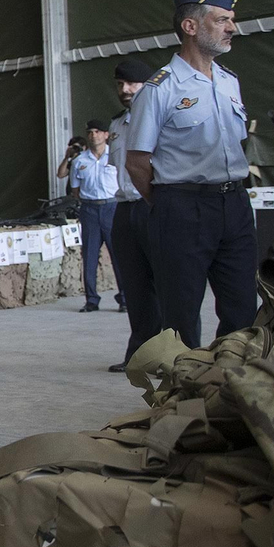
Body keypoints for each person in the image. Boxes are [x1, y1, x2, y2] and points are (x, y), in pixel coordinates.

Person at [126, 0, 256, 348]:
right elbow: (137, 162)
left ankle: (229, 390)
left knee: (243, 310)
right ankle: (182, 397)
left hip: (235, 204)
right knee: (181, 317)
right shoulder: (159, 90)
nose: (232, 27)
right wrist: (172, 201)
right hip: (182, 207)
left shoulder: (230, 82)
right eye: (222, 20)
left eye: (231, 20)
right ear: (190, 26)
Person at [107, 58, 159, 371]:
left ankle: (170, 355)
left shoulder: (160, 117)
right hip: (124, 209)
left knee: (166, 283)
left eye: (132, 84)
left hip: (152, 205)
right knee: (134, 286)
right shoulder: (116, 125)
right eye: (120, 85)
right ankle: (139, 354)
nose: (125, 90)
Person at [71, 119, 123, 314]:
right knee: (90, 257)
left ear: (106, 135)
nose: (94, 135)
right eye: (90, 132)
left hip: (112, 207)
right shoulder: (79, 161)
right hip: (90, 209)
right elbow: (75, 190)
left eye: (98, 132)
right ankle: (91, 300)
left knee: (119, 256)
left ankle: (124, 299)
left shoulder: (116, 156)